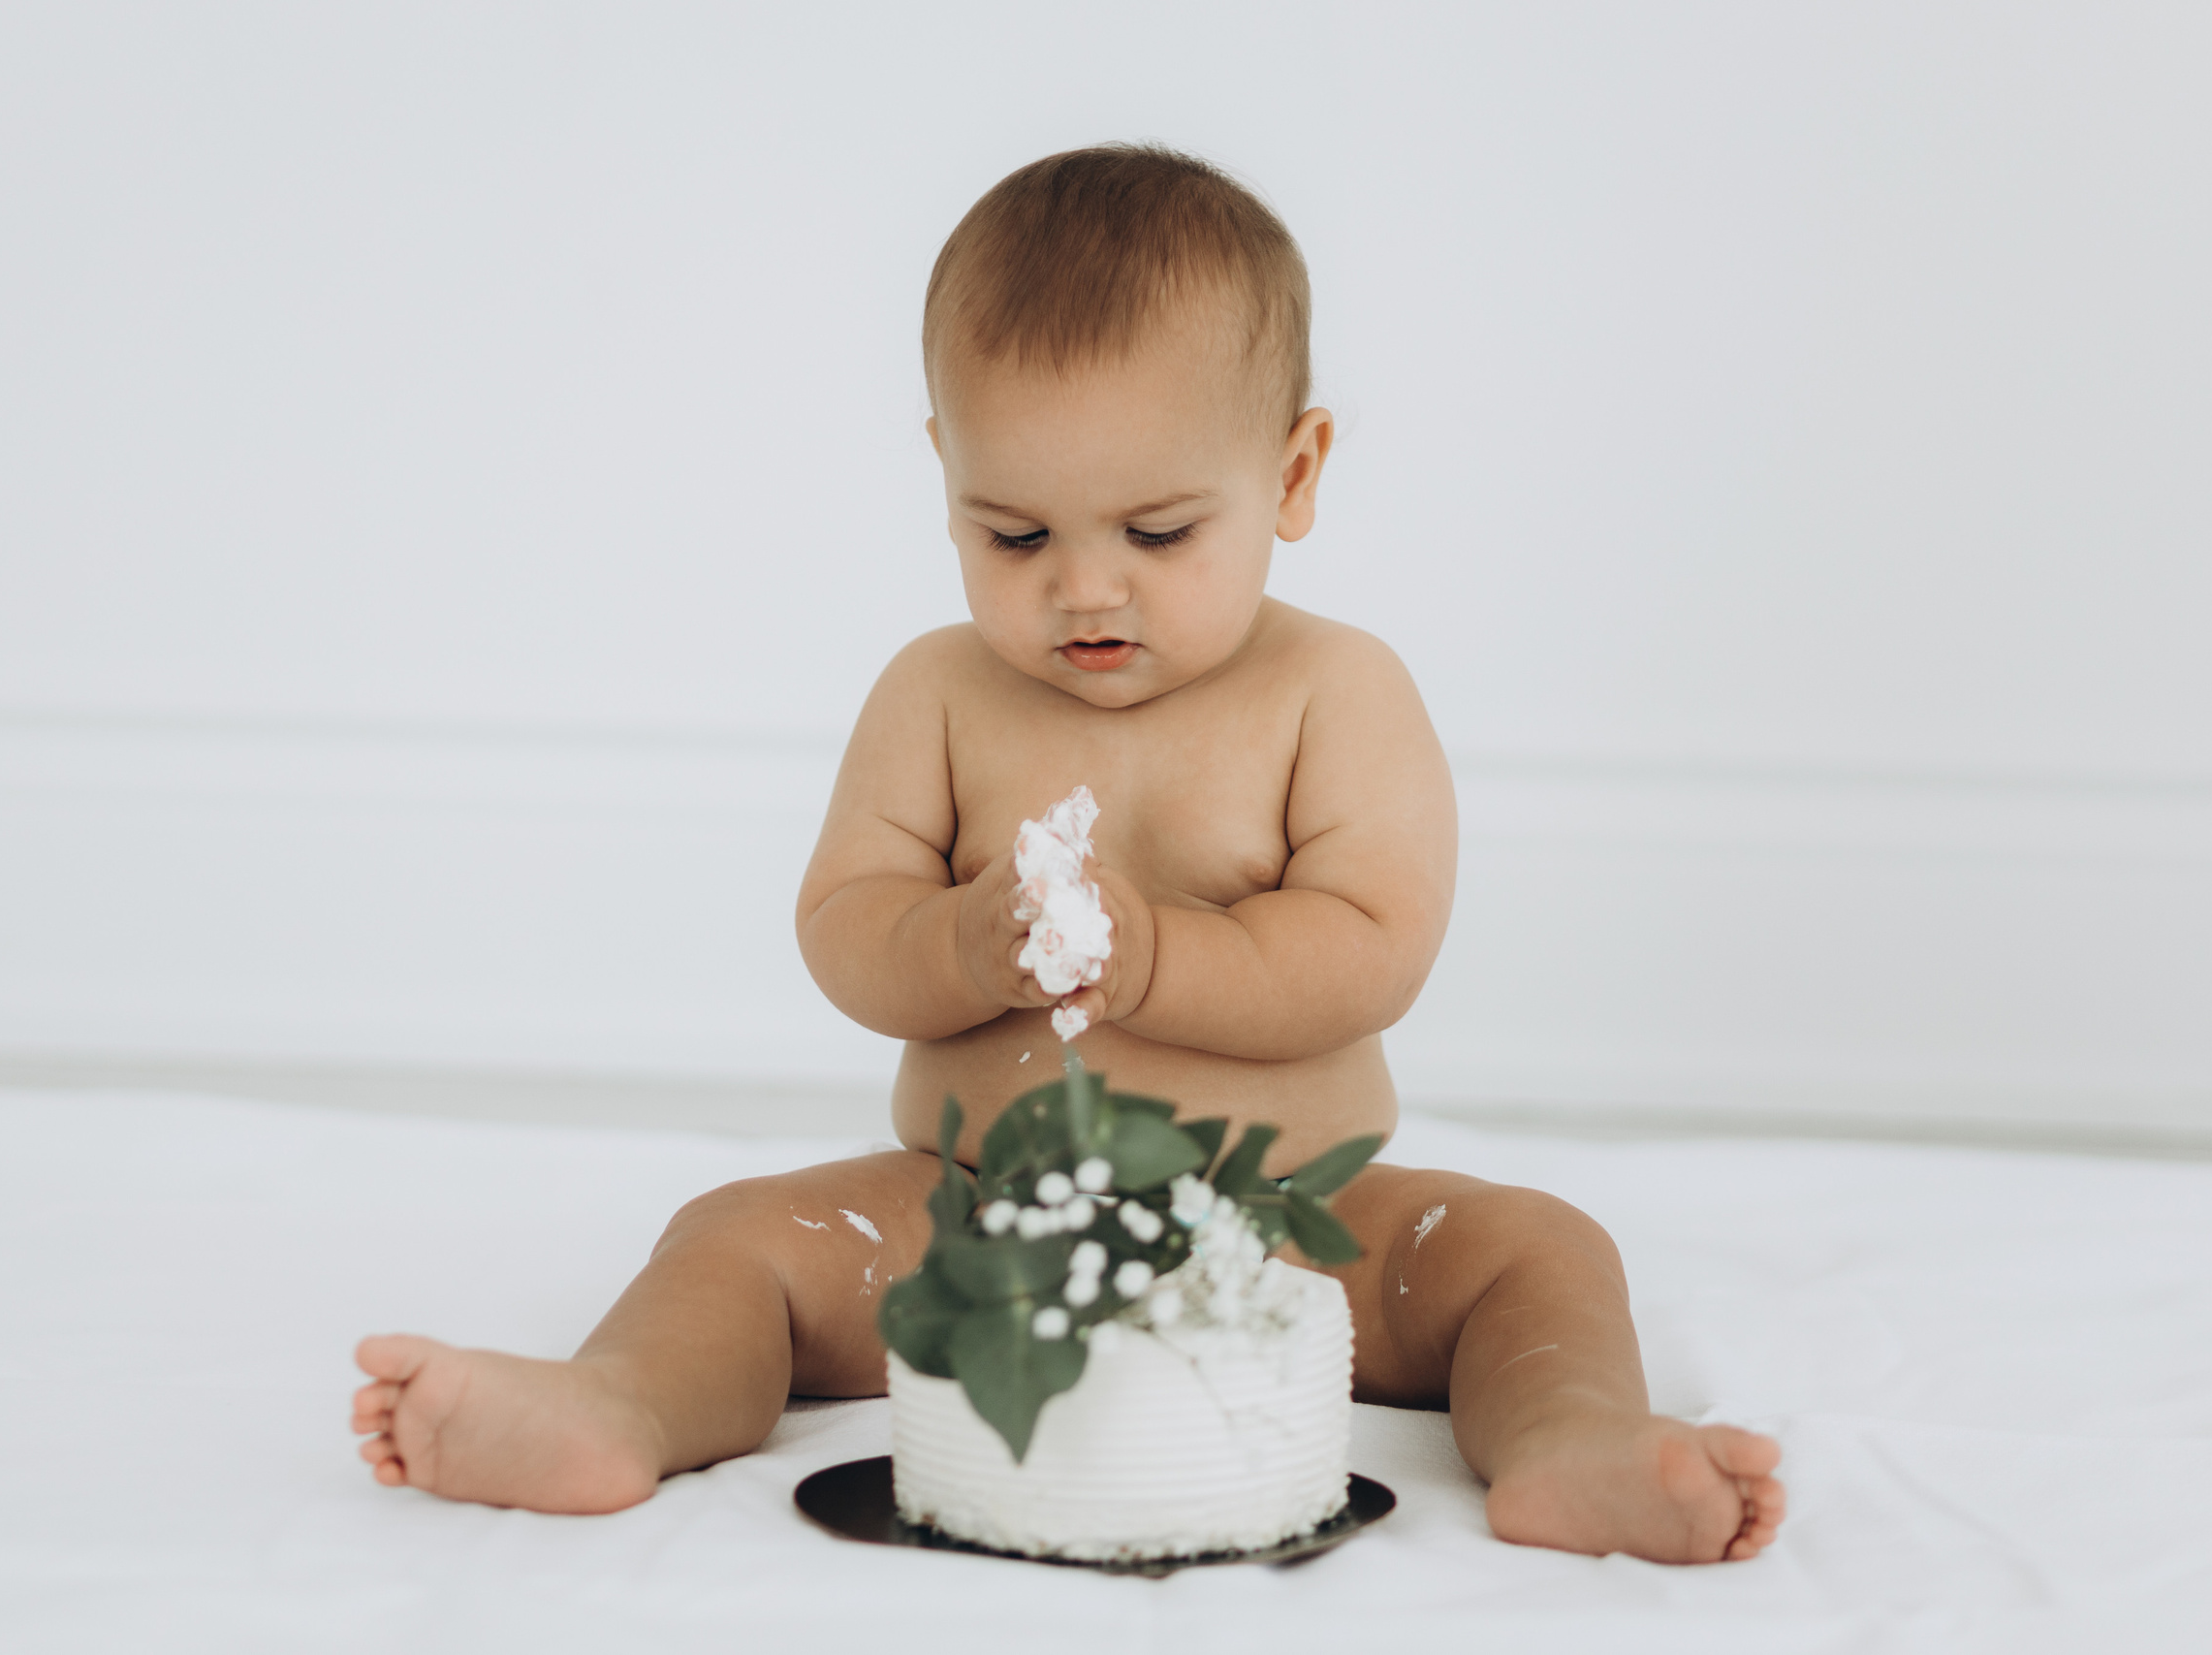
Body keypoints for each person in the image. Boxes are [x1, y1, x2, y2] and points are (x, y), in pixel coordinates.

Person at [351, 143, 1785, 1563]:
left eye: (1159, 531)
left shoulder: (1332, 692)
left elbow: (1373, 947)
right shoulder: (937, 692)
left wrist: (1159, 951)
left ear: (1293, 473)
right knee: (736, 1237)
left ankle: (1570, 1442)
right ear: (945, 473)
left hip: (1290, 1232)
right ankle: (618, 1406)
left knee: (1536, 1249)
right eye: (1014, 530)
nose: (1084, 587)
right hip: (970, 1225)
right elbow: (847, 923)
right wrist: (962, 945)